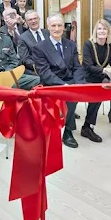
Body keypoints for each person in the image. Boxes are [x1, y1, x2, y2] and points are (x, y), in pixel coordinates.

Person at [33, 13, 85, 148]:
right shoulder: (40, 48)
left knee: (73, 96)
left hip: (69, 81)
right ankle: (59, 130)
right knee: (68, 96)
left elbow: (77, 67)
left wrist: (78, 85)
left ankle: (68, 131)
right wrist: (64, 85)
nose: (57, 28)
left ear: (64, 27)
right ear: (48, 27)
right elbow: (45, 73)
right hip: (51, 84)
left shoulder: (71, 45)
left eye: (59, 25)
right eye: (53, 25)